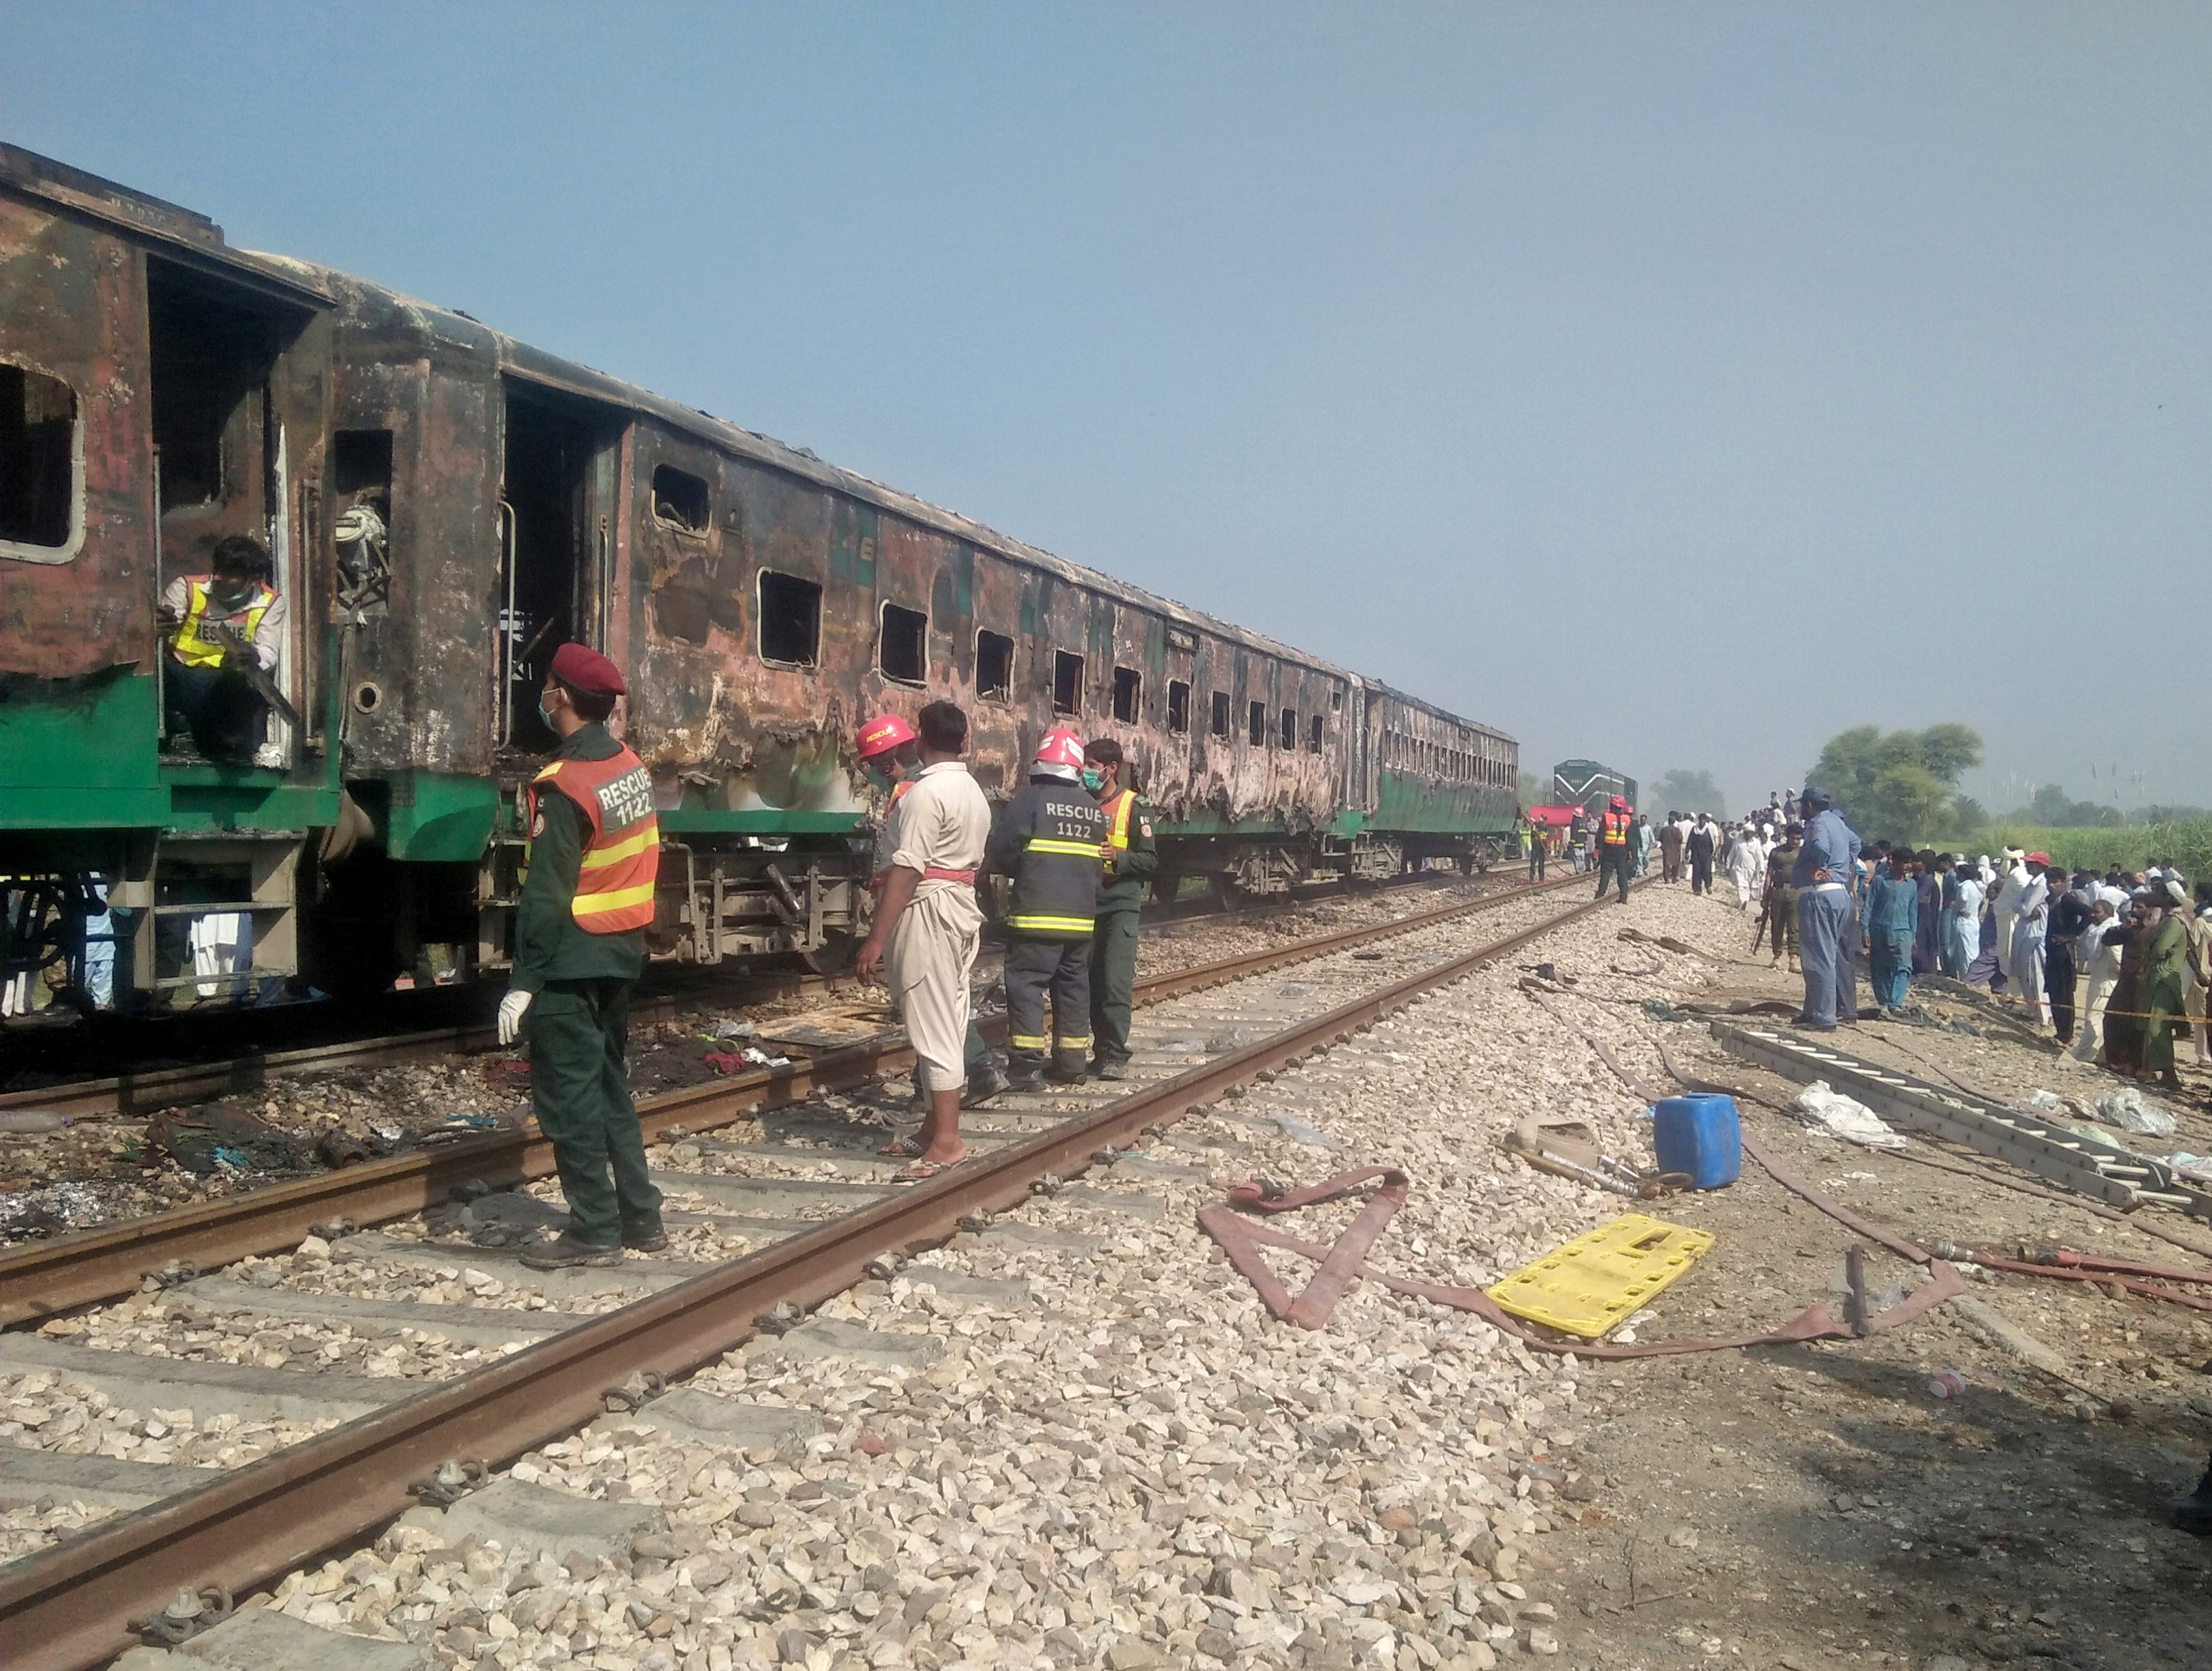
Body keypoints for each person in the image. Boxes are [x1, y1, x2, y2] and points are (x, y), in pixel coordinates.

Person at [500, 644, 666, 1269]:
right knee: (610, 1088)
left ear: (561, 697)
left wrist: (523, 979)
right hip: (621, 951)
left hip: (570, 960)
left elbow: (546, 893)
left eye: (547, 687)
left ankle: (593, 1228)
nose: (543, 695)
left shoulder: (563, 783)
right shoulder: (630, 767)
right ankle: (641, 1218)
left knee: (570, 1100)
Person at [855, 702, 995, 1177]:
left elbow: (911, 867)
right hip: (958, 907)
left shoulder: (923, 795)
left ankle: (948, 1142)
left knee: (932, 1025)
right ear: (964, 741)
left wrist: (876, 939)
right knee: (950, 1020)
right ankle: (933, 1129)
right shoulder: (973, 791)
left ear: (919, 739)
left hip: (928, 914)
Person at [985, 729, 1104, 1090]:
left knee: (1026, 989)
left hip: (1035, 918)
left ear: (1039, 763)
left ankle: (1025, 1070)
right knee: (1073, 990)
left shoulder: (1029, 800)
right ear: (1076, 768)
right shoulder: (1092, 808)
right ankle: (1071, 1065)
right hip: (1082, 921)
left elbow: (1002, 851)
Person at [160, 534, 289, 768]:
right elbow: (167, 623)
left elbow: (268, 653)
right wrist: (161, 624)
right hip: (183, 678)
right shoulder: (187, 588)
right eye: (217, 569)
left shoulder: (271, 603)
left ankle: (232, 744)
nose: (218, 577)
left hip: (226, 685)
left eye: (230, 573)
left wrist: (251, 657)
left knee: (245, 684)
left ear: (253, 580)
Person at [1084, 737, 1155, 1080]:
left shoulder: (1134, 806)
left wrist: (1120, 858)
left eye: (1092, 766)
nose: (1086, 773)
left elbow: (1151, 860)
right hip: (1086, 902)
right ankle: (1096, 1052)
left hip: (1120, 905)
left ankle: (1114, 1054)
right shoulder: (1081, 803)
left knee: (1113, 982)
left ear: (1111, 769)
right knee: (1088, 982)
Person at [1792, 785, 1862, 1032]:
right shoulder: (1838, 822)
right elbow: (1856, 844)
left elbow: (1820, 848)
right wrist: (1845, 869)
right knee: (1827, 956)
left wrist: (1819, 866)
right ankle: (1813, 1010)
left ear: (1809, 806)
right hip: (1840, 895)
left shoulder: (1817, 824)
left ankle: (1824, 1017)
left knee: (1818, 959)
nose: (1801, 809)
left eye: (1803, 805)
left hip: (1820, 896)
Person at [2145, 879, 2193, 1091]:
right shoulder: (2167, 920)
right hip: (2159, 976)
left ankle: (2169, 1075)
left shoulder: (2174, 922)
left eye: (2157, 892)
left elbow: (2159, 950)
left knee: (2158, 1027)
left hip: (2165, 978)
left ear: (2166, 897)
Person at [1863, 850, 1918, 1013]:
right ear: (1895, 862)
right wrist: (1865, 929)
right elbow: (1869, 906)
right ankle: (1884, 1001)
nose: (1908, 866)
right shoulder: (1880, 881)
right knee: (1880, 967)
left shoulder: (1911, 885)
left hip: (1903, 932)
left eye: (1909, 862)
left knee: (1903, 967)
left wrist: (1913, 936)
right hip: (1879, 930)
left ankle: (1896, 1003)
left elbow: (1913, 911)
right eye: (1905, 862)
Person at [2073, 894, 2126, 1063]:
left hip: (2107, 982)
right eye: (2092, 912)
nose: (2093, 915)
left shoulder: (2112, 932)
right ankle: (2100, 1056)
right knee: (2093, 1017)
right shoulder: (2095, 931)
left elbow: (2118, 960)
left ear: (2108, 913)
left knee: (2094, 1020)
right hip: (2097, 980)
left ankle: (2082, 1054)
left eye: (2097, 912)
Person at [2045, 872, 2091, 1048]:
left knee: (2064, 994)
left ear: (2064, 883)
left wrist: (2072, 935)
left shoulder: (2068, 900)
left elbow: (2089, 913)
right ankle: (2060, 1031)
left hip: (2064, 953)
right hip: (2052, 951)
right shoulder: (2051, 900)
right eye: (2049, 881)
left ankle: (2067, 1034)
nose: (2051, 885)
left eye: (2055, 881)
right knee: (2054, 992)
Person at [1761, 824, 1802, 969]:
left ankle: (1793, 958)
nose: (1795, 842)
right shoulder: (1776, 853)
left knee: (1794, 926)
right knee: (1777, 925)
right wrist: (1765, 896)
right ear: (1787, 837)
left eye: (1798, 839)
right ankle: (1777, 956)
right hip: (1777, 891)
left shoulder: (1803, 854)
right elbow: (1769, 875)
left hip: (1795, 893)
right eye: (1793, 838)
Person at [1941, 858, 1982, 979]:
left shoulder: (1964, 887)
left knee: (1964, 953)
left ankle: (1967, 978)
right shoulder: (1974, 887)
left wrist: (1960, 909)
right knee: (1971, 951)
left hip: (1963, 923)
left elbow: (1963, 899)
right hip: (1973, 922)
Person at [1593, 795, 1634, 903]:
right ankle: (1624, 897)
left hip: (1609, 850)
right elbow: (1628, 837)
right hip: (1622, 850)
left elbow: (1600, 835)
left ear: (1612, 805)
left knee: (1606, 873)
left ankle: (1600, 895)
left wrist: (1598, 848)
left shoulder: (1607, 817)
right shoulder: (1627, 819)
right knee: (1622, 874)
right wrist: (1629, 851)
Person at [1723, 822, 1761, 912]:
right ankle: (1743, 902)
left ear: (1753, 833)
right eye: (1746, 832)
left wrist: (1761, 868)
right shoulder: (1738, 841)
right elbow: (1732, 854)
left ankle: (1747, 904)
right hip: (1739, 868)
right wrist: (1728, 866)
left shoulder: (1756, 843)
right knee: (1741, 885)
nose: (1747, 834)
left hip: (1751, 869)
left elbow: (1760, 857)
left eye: (1749, 833)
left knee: (1749, 887)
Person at [1687, 813, 1716, 896]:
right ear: (1699, 821)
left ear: (1706, 821)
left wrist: (1714, 853)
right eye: (1701, 820)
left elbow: (1714, 843)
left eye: (1704, 820)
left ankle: (1708, 885)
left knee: (1707, 871)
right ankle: (1697, 889)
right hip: (1696, 854)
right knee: (1696, 872)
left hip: (1707, 855)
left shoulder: (1709, 830)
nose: (1702, 822)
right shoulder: (1694, 829)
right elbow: (1690, 841)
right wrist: (1687, 852)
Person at [1659, 813, 1684, 884]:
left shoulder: (1664, 830)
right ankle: (1674, 877)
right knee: (1675, 864)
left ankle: (1667, 879)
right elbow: (1680, 839)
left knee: (1666, 865)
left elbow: (1660, 839)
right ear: (1674, 822)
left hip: (1666, 849)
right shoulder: (1677, 830)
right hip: (1675, 849)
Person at [1525, 814, 1547, 882]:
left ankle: (1541, 878)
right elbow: (1532, 835)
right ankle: (1532, 877)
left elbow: (1542, 827)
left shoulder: (1543, 826)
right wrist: (1534, 829)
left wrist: (1534, 822)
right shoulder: (1535, 826)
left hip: (1541, 847)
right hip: (1535, 847)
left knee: (1541, 863)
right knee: (1533, 862)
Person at [1632, 813, 1654, 877]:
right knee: (1639, 859)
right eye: (1642, 820)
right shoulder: (1638, 828)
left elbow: (1651, 835)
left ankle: (1646, 869)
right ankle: (1640, 872)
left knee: (1646, 859)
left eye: (1644, 820)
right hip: (1639, 845)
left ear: (1646, 820)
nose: (1643, 821)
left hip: (1647, 846)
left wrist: (1653, 842)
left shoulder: (1648, 828)